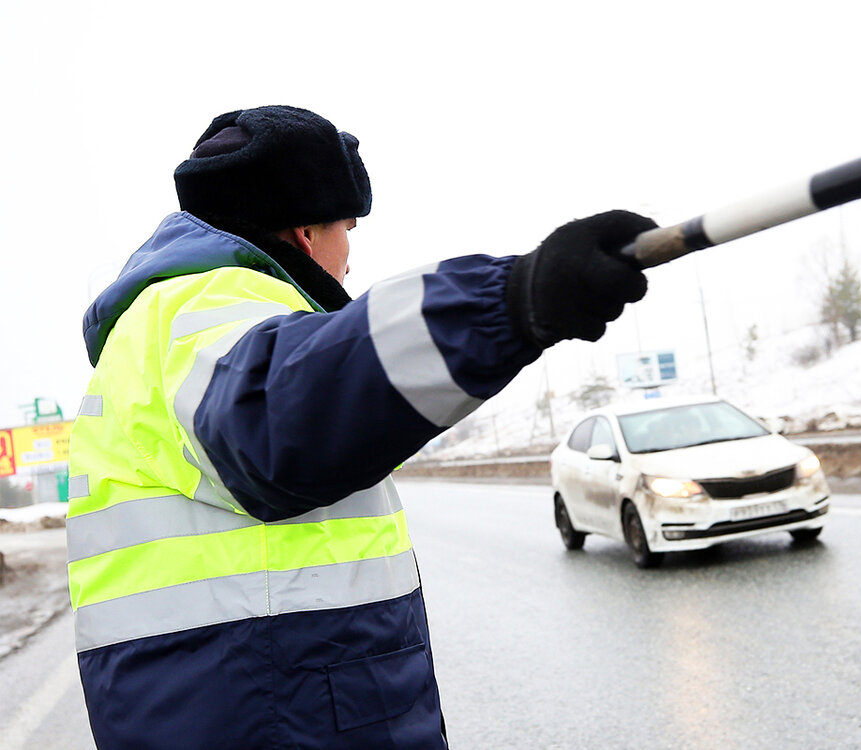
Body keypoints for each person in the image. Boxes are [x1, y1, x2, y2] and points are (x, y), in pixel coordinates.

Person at [66, 105, 654, 750]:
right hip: (273, 709)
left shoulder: (169, 322)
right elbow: (282, 412)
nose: (350, 256)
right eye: (347, 226)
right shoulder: (198, 305)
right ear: (306, 232)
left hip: (247, 697)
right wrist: (509, 300)